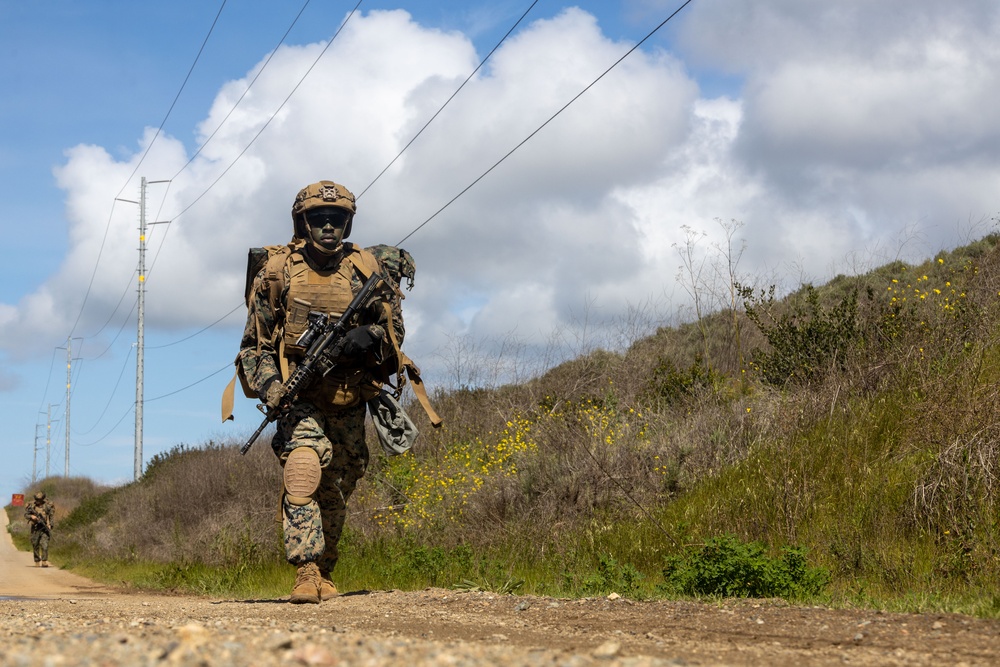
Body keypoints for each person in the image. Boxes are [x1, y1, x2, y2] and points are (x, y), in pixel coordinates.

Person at [237, 180, 404, 604]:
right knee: (303, 467)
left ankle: (325, 570)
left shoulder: (366, 269)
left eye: (337, 219)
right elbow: (253, 347)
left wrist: (370, 337)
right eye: (318, 218)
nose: (328, 227)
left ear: (347, 223)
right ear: (303, 222)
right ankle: (305, 571)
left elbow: (394, 335)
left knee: (338, 487)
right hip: (300, 396)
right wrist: (272, 386)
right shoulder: (277, 273)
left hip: (350, 394)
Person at [24, 491, 55, 567]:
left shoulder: (47, 506)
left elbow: (51, 516)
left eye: (40, 499)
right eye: (37, 499)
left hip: (44, 528)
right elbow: (26, 515)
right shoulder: (32, 506)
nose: (39, 501)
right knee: (35, 545)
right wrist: (32, 517)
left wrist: (50, 525)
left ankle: (44, 561)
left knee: (45, 545)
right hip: (35, 528)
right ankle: (37, 561)